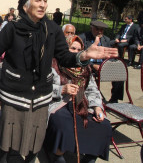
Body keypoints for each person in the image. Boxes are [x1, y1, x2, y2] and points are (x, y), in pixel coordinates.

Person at [0, 0, 117, 163]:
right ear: (25, 6)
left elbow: (64, 57)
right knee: (8, 143)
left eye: (45, 1)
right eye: (38, 0)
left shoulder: (52, 29)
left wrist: (83, 55)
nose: (43, 5)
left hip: (40, 97)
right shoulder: (12, 29)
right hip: (14, 95)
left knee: (34, 142)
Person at [44, 35, 112, 163]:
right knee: (63, 126)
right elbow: (40, 88)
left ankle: (90, 158)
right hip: (59, 104)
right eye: (72, 48)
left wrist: (97, 107)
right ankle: (58, 155)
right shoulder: (53, 64)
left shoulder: (85, 67)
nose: (76, 52)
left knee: (104, 126)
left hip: (82, 104)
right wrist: (61, 90)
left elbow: (92, 90)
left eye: (79, 49)